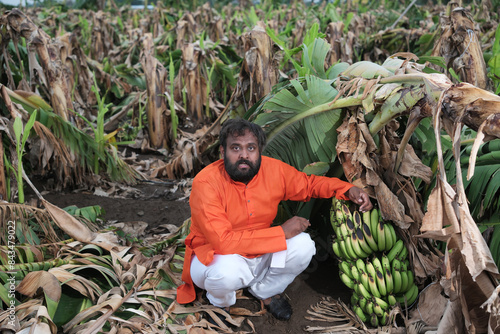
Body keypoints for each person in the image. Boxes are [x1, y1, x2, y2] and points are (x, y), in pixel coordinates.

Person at [176, 118, 372, 322]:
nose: (244, 155)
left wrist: (347, 189)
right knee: (226, 273)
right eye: (236, 148)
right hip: (215, 258)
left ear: (259, 150)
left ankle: (265, 291)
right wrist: (281, 233)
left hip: (259, 252)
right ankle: (220, 303)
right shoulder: (207, 183)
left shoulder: (272, 170)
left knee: (304, 246)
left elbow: (309, 185)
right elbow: (223, 242)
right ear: (222, 152)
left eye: (250, 148)